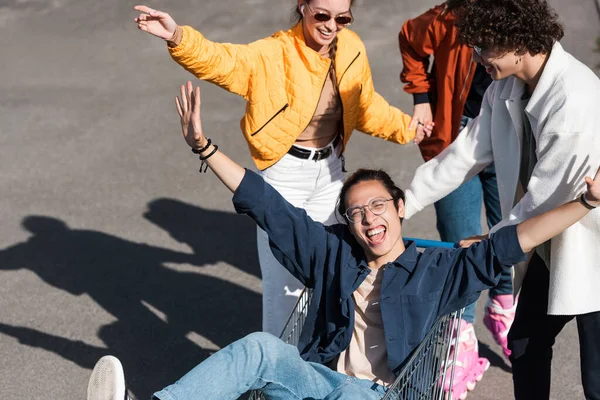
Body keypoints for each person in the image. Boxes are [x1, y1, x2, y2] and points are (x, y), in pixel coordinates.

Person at [86, 82, 600, 400]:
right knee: (262, 349)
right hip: (315, 381)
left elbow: (516, 240)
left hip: (378, 395)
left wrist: (587, 204)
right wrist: (204, 145)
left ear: (400, 209)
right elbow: (268, 205)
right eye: (355, 212)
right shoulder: (333, 255)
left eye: (378, 205)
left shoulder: (438, 271)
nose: (368, 218)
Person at [133, 1, 430, 336]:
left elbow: (365, 105)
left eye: (342, 18)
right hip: (285, 175)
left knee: (341, 271)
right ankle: (275, 379)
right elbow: (222, 61)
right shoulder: (273, 54)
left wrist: (407, 128)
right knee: (284, 289)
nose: (332, 26)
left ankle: (330, 362)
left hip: (332, 173)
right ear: (302, 7)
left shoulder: (351, 48)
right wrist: (177, 36)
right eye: (322, 15)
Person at [402, 0, 600, 398]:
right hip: (554, 240)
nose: (475, 58)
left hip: (590, 242)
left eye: (482, 47)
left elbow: (548, 196)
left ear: (517, 41)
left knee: (596, 377)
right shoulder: (505, 87)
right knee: (526, 343)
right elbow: (466, 153)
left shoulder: (574, 97)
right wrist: (404, 202)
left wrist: (491, 242)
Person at [398, 1, 512, 397]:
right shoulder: (452, 14)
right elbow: (410, 39)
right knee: (461, 244)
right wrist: (420, 95)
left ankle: (503, 312)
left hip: (510, 137)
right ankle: (458, 340)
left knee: (508, 237)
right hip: (457, 135)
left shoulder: (522, 16)